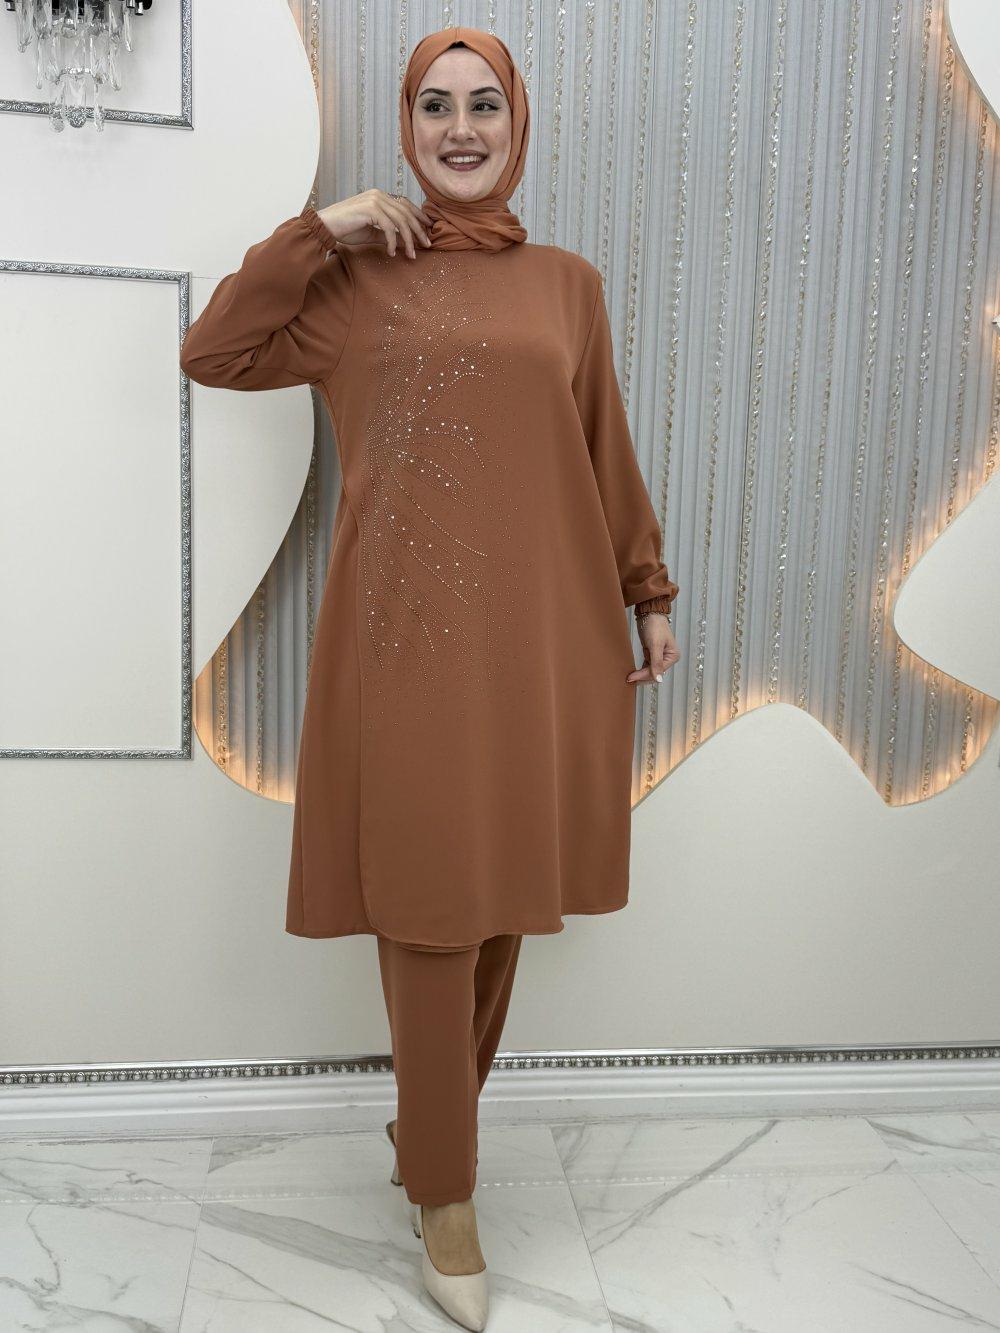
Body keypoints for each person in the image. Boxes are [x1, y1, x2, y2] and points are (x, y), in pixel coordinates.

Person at [180, 24, 680, 1331]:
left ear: (518, 124)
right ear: (407, 130)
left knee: (503, 896)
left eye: (485, 106)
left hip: (547, 634)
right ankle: (446, 1193)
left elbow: (602, 443)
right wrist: (321, 230)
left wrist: (646, 590)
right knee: (429, 906)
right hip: (404, 643)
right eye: (437, 107)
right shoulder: (354, 283)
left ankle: (426, 1134)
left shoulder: (568, 286)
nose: (463, 130)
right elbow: (215, 350)